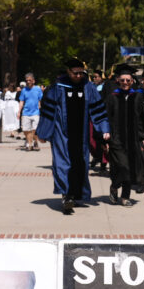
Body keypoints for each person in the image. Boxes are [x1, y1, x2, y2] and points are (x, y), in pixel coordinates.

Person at [37, 58, 110, 215]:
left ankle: (75, 194)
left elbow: (98, 109)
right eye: (75, 73)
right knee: (62, 164)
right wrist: (43, 133)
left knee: (80, 164)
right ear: (68, 72)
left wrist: (104, 128)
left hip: (81, 134)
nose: (78, 76)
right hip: (62, 133)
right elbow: (47, 111)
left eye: (81, 73)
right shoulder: (57, 87)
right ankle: (66, 196)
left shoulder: (89, 87)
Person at [104, 65, 144, 206]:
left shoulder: (137, 97)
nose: (125, 83)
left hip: (133, 138)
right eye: (122, 80)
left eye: (128, 80)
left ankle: (125, 197)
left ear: (132, 81)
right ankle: (115, 186)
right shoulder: (112, 97)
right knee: (123, 166)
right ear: (118, 80)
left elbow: (143, 118)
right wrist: (104, 137)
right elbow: (106, 118)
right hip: (116, 138)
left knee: (130, 166)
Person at [17, 72, 43, 151]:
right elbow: (21, 101)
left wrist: (41, 108)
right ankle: (30, 144)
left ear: (33, 81)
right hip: (26, 112)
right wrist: (19, 112)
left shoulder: (38, 89)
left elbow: (40, 100)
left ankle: (34, 141)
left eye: (30, 80)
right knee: (26, 130)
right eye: (27, 80)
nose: (28, 82)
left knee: (35, 129)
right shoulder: (24, 90)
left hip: (36, 112)